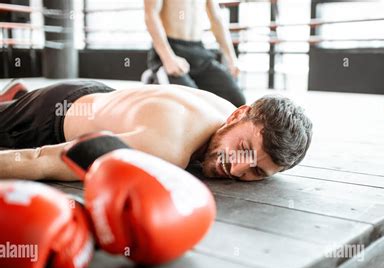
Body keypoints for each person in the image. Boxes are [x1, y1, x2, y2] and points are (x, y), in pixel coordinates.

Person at [0, 80, 312, 182]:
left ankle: (18, 97)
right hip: (49, 119)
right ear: (239, 115)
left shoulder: (226, 111)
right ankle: (17, 102)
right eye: (243, 148)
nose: (236, 168)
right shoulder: (168, 148)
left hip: (103, 99)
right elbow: (41, 159)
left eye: (256, 171)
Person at [143, 0, 246, 107]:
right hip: (171, 51)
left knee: (236, 101)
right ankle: (156, 77)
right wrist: (168, 58)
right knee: (193, 105)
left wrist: (231, 59)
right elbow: (151, 14)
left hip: (198, 50)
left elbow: (216, 19)